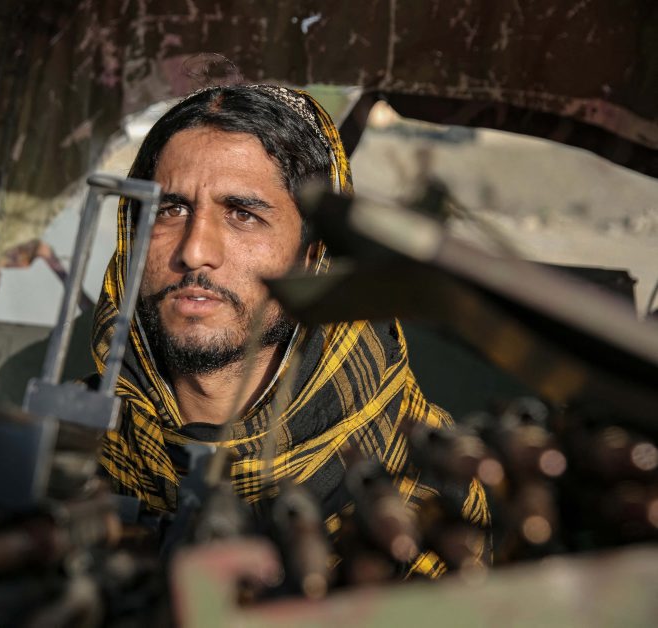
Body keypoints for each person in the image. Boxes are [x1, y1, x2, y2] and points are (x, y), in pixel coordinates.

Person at [92, 84, 489, 577]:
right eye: (171, 210)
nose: (194, 251)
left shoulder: (426, 480)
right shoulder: (77, 448)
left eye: (242, 214)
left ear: (313, 253)